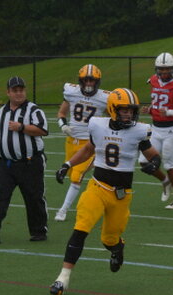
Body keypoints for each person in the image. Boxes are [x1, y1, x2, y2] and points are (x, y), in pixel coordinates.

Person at [50, 88, 161, 295]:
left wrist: (154, 164)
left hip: (121, 194)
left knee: (109, 239)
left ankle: (117, 248)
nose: (129, 114)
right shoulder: (98, 125)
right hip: (98, 187)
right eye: (124, 110)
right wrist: (67, 164)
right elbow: (88, 150)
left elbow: (153, 155)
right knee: (81, 228)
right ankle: (62, 278)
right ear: (112, 109)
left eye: (131, 111)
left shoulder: (139, 131)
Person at [0, 76, 49, 244]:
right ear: (8, 92)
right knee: (0, 196)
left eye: (21, 90)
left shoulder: (33, 110)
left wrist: (21, 127)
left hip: (29, 162)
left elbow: (42, 130)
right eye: (15, 90)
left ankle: (38, 231)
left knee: (34, 198)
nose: (18, 93)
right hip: (5, 163)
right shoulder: (2, 112)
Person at [137, 52, 173, 210]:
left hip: (171, 130)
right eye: (161, 69)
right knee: (143, 161)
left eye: (167, 69)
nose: (164, 72)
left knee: (169, 165)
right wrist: (150, 109)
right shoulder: (153, 81)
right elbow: (158, 102)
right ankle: (165, 181)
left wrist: (170, 112)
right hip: (155, 129)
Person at [54, 64, 111, 222]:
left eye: (92, 80)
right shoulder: (71, 92)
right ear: (80, 80)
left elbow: (112, 117)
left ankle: (63, 210)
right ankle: (98, 193)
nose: (89, 83)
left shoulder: (104, 98)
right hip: (71, 141)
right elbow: (61, 112)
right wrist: (63, 126)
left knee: (76, 176)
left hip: (89, 144)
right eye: (86, 80)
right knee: (70, 172)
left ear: (97, 81)